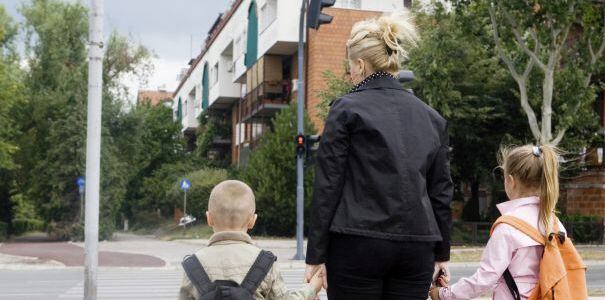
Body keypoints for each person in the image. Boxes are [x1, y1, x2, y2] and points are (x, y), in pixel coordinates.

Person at [304, 13, 454, 300]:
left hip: (356, 242)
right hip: (417, 245)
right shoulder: (431, 118)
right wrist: (442, 253)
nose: (350, 74)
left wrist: (316, 254)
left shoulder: (346, 110)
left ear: (360, 65)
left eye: (350, 67)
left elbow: (328, 185)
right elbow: (441, 191)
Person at [430, 145, 565, 300]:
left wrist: (443, 294)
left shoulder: (508, 227)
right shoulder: (554, 223)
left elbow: (484, 279)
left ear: (511, 181)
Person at [178, 180, 324, 300]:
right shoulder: (264, 263)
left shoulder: (192, 265)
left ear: (209, 218)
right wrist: (311, 289)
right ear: (252, 221)